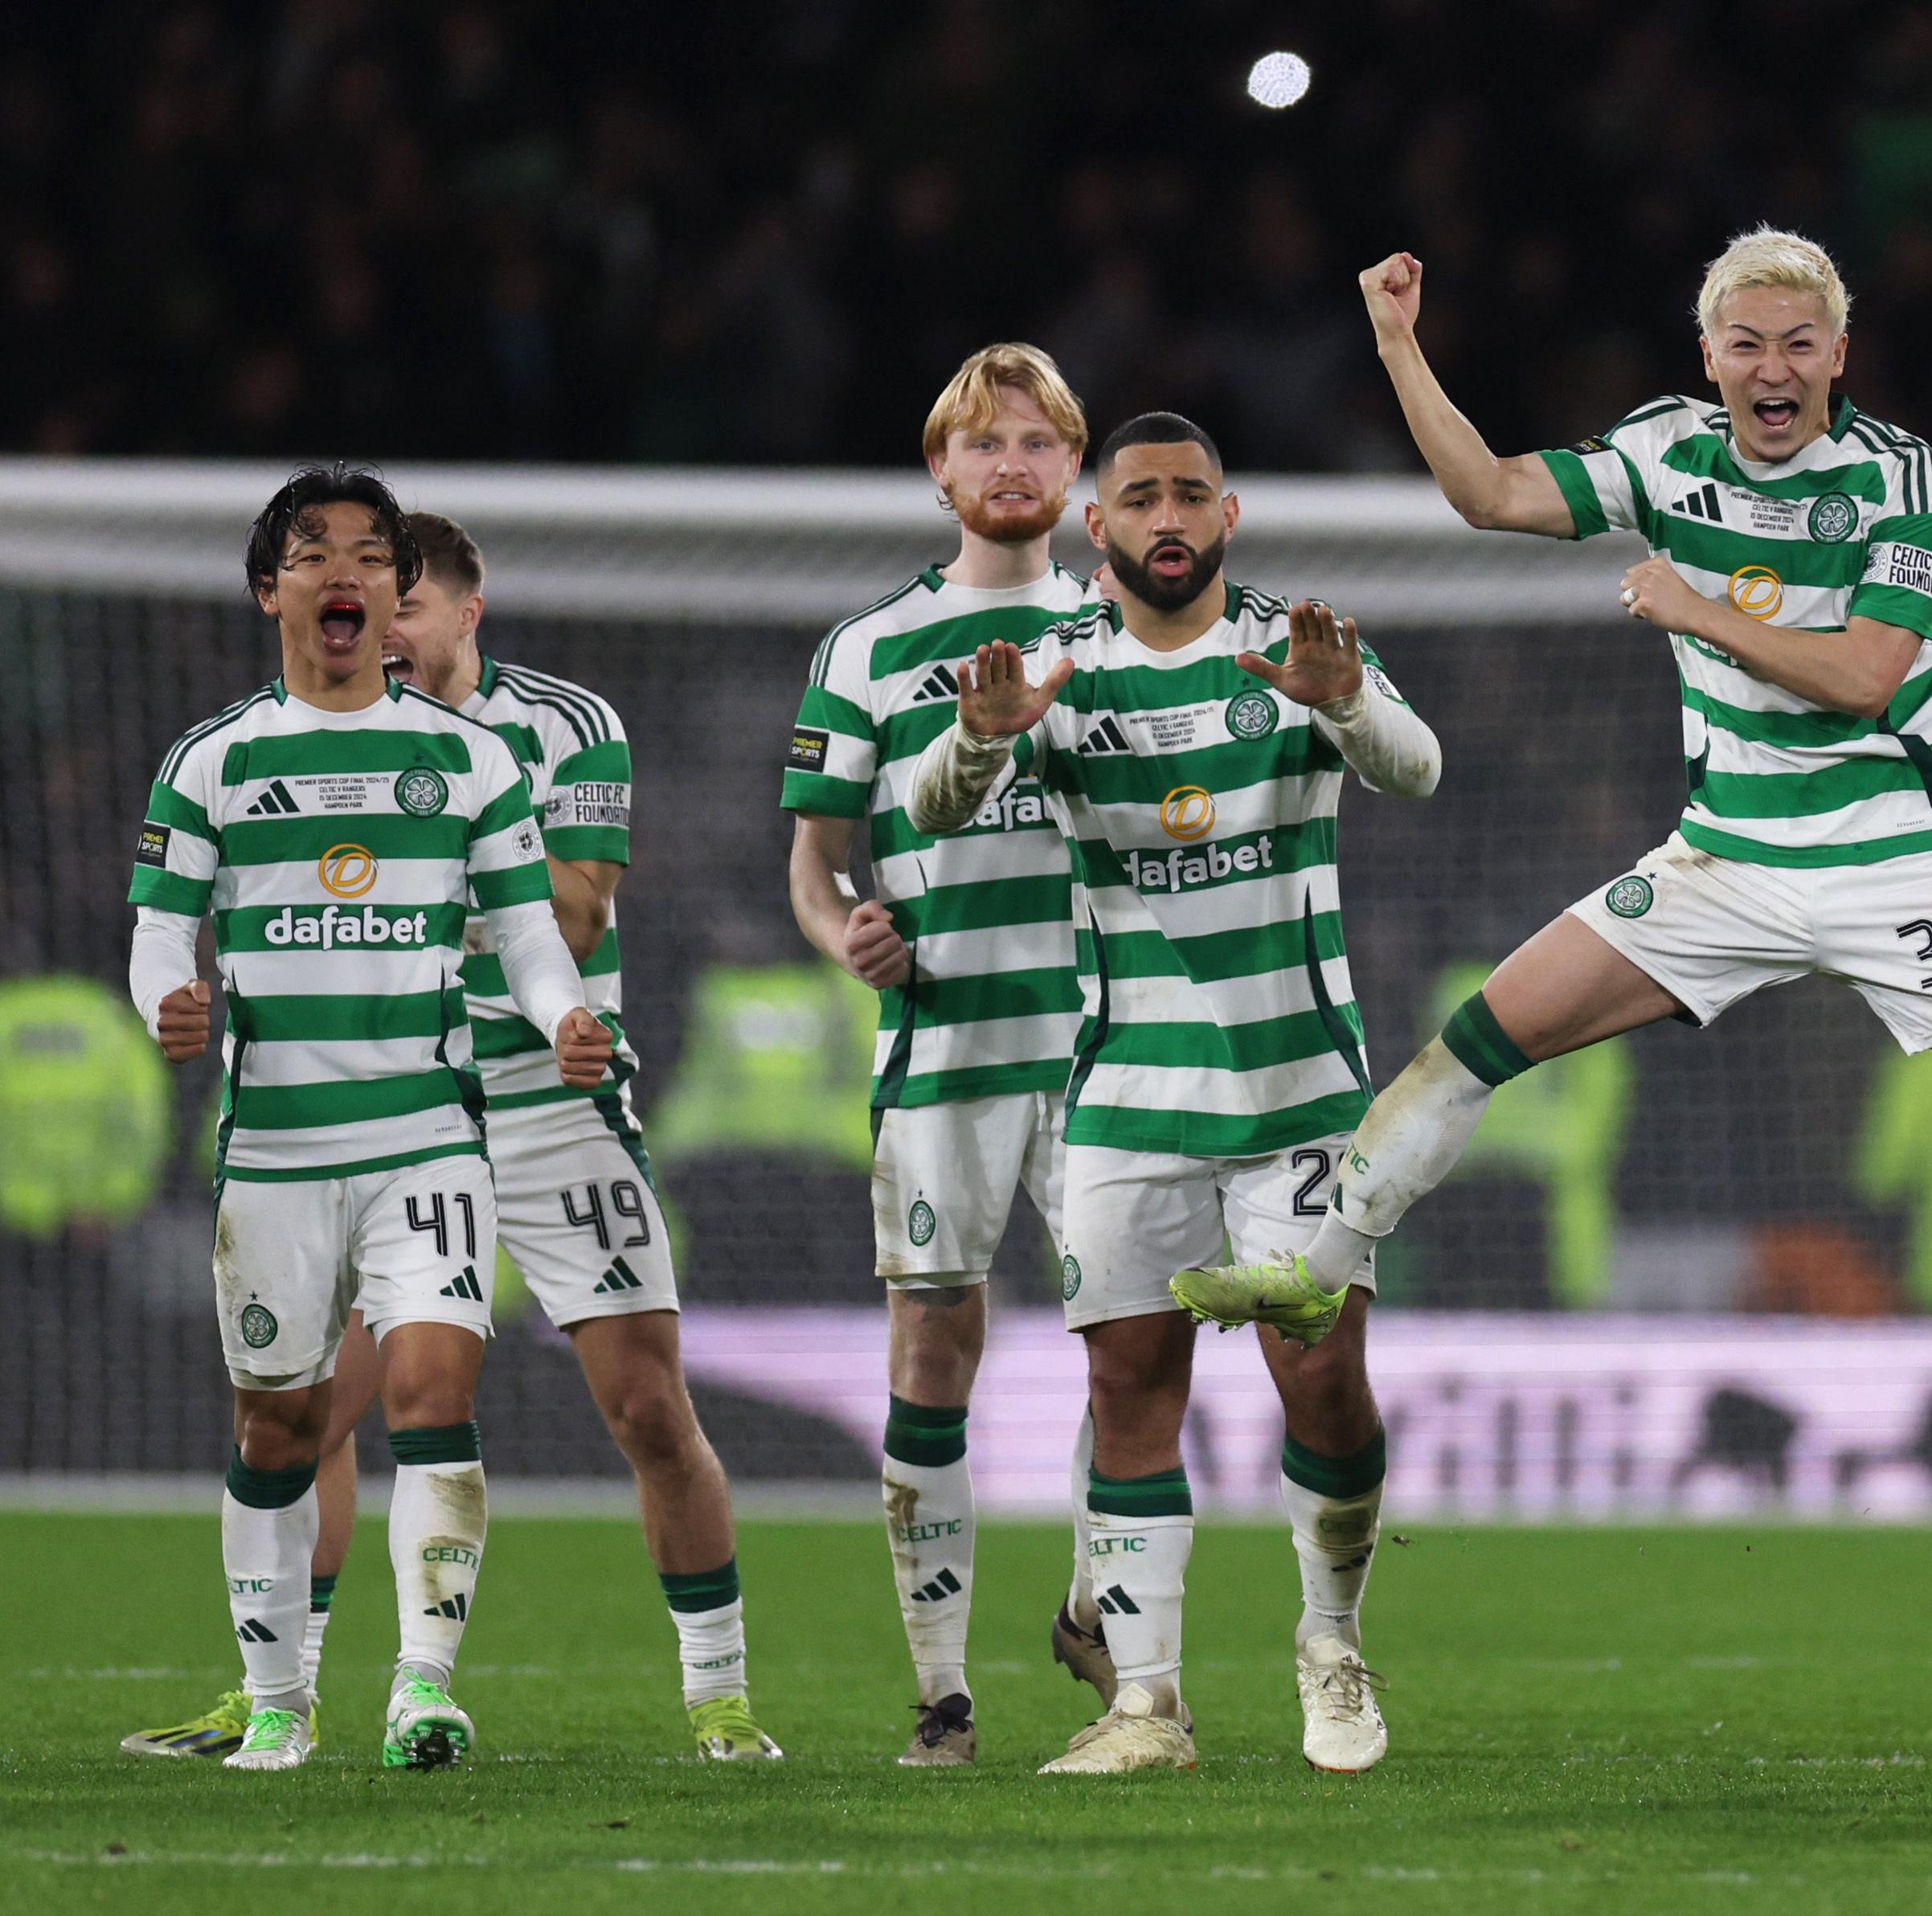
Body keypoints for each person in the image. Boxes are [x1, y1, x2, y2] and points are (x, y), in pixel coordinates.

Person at [1173, 227, 1932, 1514]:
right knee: (1472, 1041)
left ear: (1840, 354)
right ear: (1710, 356)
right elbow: (1491, 494)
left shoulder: (1904, 478)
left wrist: (1695, 608)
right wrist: (1400, 344)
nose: (1774, 367)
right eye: (1748, 344)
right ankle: (1322, 1261)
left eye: (1801, 344)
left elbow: (1863, 676)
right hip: (1722, 860)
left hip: (1888, 861)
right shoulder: (1664, 450)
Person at [123, 514, 783, 1762]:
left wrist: (414, 887)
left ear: (465, 614)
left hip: (547, 1110)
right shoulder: (307, 746)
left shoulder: (563, 728)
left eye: (406, 605)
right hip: (397, 1113)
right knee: (307, 1416)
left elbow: (577, 919)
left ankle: (720, 1696)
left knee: (647, 1406)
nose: (383, 626)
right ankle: (282, 1689)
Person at [915, 411, 1441, 1775]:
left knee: (1321, 1381)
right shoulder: (1051, 671)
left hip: (1300, 1100)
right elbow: (927, 808)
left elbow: (1420, 769)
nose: (1165, 516)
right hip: (1128, 1098)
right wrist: (980, 738)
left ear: (1227, 518)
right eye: (1138, 495)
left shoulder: (1297, 647)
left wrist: (1344, 700)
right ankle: (1145, 1706)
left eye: (1188, 495)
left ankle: (1332, 1647)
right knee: (1129, 1383)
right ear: (1098, 527)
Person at [782, 343, 1103, 1766]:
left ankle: (1105, 1612)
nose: (1014, 464)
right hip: (950, 1043)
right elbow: (814, 861)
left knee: (1137, 1343)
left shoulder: (1122, 625)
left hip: (1113, 1044)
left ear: (1074, 468)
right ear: (941, 471)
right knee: (934, 1345)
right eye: (987, 445)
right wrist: (841, 930)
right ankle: (942, 1693)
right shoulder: (866, 649)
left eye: (1040, 442)